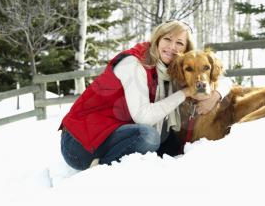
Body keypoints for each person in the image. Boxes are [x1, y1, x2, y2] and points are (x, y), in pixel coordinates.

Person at [59, 20, 231, 170]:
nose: (172, 47)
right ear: (157, 40)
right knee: (148, 136)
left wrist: (216, 95)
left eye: (179, 43)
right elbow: (143, 116)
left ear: (186, 49)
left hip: (114, 132)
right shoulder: (134, 63)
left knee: (172, 145)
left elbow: (226, 80)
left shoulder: (172, 68)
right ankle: (101, 172)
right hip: (79, 144)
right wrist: (185, 92)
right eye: (167, 39)